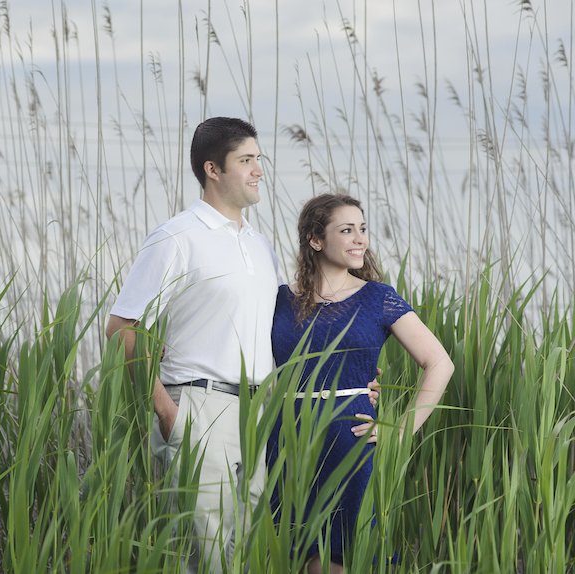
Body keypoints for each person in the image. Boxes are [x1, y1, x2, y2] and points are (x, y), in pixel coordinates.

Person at [105, 117, 278, 572]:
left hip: (258, 412)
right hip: (200, 407)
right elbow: (122, 326)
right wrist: (167, 411)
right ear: (212, 169)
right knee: (205, 556)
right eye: (246, 160)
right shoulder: (177, 237)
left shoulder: (260, 245)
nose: (258, 170)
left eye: (258, 159)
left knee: (247, 556)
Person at [266, 193, 454, 573]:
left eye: (362, 229)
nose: (360, 239)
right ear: (315, 239)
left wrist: (400, 429)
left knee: (343, 556)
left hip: (349, 438)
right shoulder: (280, 299)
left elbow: (439, 363)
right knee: (292, 554)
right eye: (346, 230)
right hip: (288, 437)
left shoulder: (377, 298)